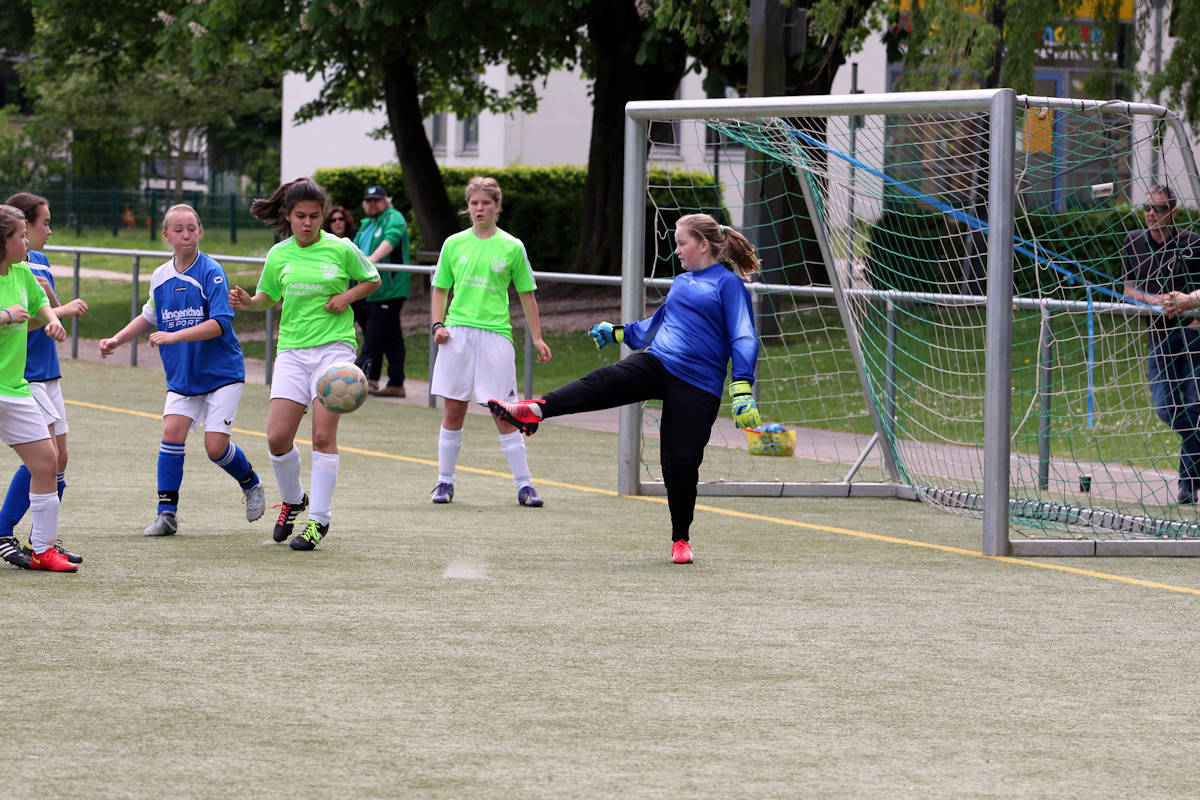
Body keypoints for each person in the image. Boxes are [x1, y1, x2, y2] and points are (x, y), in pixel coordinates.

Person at [488, 213, 761, 564]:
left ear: (703, 245)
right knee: (606, 380)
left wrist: (741, 387)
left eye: (682, 244)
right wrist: (616, 332)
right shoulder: (681, 282)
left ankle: (681, 539)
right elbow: (654, 327)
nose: (676, 251)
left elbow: (744, 336)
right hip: (658, 362)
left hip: (699, 385)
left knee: (679, 465)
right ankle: (534, 410)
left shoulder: (728, 285)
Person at [230, 178, 380, 551]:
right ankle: (294, 500)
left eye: (315, 216)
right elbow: (268, 296)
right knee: (277, 438)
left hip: (334, 351)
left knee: (322, 436)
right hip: (293, 352)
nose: (309, 223)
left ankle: (319, 521)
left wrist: (346, 296)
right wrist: (250, 302)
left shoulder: (341, 248)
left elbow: (372, 279)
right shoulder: (279, 254)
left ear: (323, 215)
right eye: (301, 216)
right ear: (288, 216)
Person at [99, 204, 266, 536]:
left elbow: (220, 323)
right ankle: (167, 514)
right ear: (166, 235)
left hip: (221, 373)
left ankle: (251, 483)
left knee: (215, 447)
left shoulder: (211, 271)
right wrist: (116, 340)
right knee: (171, 435)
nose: (186, 234)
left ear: (200, 230)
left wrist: (172, 336)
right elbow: (150, 316)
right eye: (178, 230)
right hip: (182, 375)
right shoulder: (161, 276)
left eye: (191, 228)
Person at [429, 176, 551, 507]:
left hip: (496, 335)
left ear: (497, 206)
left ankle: (525, 486)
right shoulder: (454, 244)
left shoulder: (512, 246)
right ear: (467, 207)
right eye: (474, 203)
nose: (479, 209)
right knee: (454, 409)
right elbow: (440, 288)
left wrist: (537, 338)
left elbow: (527, 296)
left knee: (504, 412)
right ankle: (444, 482)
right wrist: (437, 325)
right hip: (458, 334)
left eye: (485, 203)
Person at [0, 193, 88, 569]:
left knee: (47, 461)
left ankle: (42, 549)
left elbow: (40, 305)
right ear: (4, 241)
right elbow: (14, 314)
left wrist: (52, 319)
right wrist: (5, 316)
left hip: (14, 388)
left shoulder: (23, 273)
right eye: (21, 235)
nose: (27, 242)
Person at [1126, 184, 1200, 504]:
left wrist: (1183, 304)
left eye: (1157, 209)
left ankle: (1188, 484)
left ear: (1173, 212)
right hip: (1158, 336)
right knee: (1167, 408)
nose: (1151, 214)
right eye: (1147, 209)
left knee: (1196, 406)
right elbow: (1129, 290)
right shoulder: (1133, 242)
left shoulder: (1192, 244)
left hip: (1192, 334)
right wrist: (1155, 300)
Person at [354, 185, 410, 397]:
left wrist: (371, 261)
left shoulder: (393, 217)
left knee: (373, 335)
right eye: (369, 201)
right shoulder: (367, 224)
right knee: (391, 336)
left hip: (390, 288)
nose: (372, 204)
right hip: (370, 289)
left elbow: (391, 240)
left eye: (376, 200)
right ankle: (396, 382)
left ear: (386, 200)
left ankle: (354, 379)